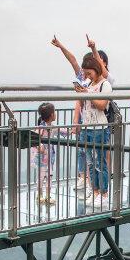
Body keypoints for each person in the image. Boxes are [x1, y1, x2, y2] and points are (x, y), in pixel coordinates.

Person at [51, 35, 116, 190]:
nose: (86, 75)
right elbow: (73, 60)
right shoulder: (86, 80)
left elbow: (101, 104)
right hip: (87, 122)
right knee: (88, 157)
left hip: (101, 122)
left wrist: (93, 49)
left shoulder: (106, 81)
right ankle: (89, 184)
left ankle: (103, 190)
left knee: (101, 158)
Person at [74, 53, 113, 209]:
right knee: (90, 162)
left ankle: (103, 194)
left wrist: (87, 94)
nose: (87, 76)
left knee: (100, 162)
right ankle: (95, 191)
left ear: (96, 70)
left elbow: (102, 105)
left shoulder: (105, 85)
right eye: (86, 73)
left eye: (89, 73)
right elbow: (86, 105)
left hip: (99, 128)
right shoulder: (89, 85)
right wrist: (82, 94)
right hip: (87, 127)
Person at [32, 102, 63, 205]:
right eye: (54, 112)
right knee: (41, 177)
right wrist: (39, 145)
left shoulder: (52, 127)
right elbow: (35, 139)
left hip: (49, 157)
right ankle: (40, 195)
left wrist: (72, 130)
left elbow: (63, 131)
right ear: (51, 115)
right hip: (41, 157)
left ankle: (48, 196)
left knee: (49, 176)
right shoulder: (41, 128)